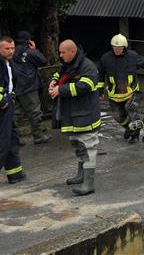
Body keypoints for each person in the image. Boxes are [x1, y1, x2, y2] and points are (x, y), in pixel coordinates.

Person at [48, 40, 100, 196]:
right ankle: (81, 175)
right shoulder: (70, 63)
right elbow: (62, 73)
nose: (60, 55)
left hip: (86, 116)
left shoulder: (88, 66)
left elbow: (86, 85)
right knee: (77, 144)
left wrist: (60, 90)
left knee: (88, 146)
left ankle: (89, 183)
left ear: (72, 51)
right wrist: (54, 81)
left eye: (63, 53)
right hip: (73, 114)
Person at [97, 34, 144, 143]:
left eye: (119, 48)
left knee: (130, 108)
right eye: (115, 47)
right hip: (114, 96)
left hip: (132, 93)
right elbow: (101, 75)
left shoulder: (132, 56)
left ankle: (135, 136)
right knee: (118, 117)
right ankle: (129, 128)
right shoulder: (105, 58)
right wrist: (100, 92)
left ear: (124, 47)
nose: (117, 50)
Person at [0, 36, 26, 191]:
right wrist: (2, 101)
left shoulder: (8, 63)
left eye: (13, 48)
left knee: (12, 138)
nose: (11, 51)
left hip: (7, 106)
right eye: (7, 48)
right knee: (0, 143)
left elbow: (11, 83)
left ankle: (15, 174)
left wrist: (12, 97)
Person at [13, 30, 51, 145]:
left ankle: (13, 139)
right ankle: (38, 136)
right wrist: (34, 49)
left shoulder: (11, 51)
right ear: (28, 41)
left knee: (16, 114)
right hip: (28, 86)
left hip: (15, 86)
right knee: (34, 112)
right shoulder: (29, 52)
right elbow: (43, 61)